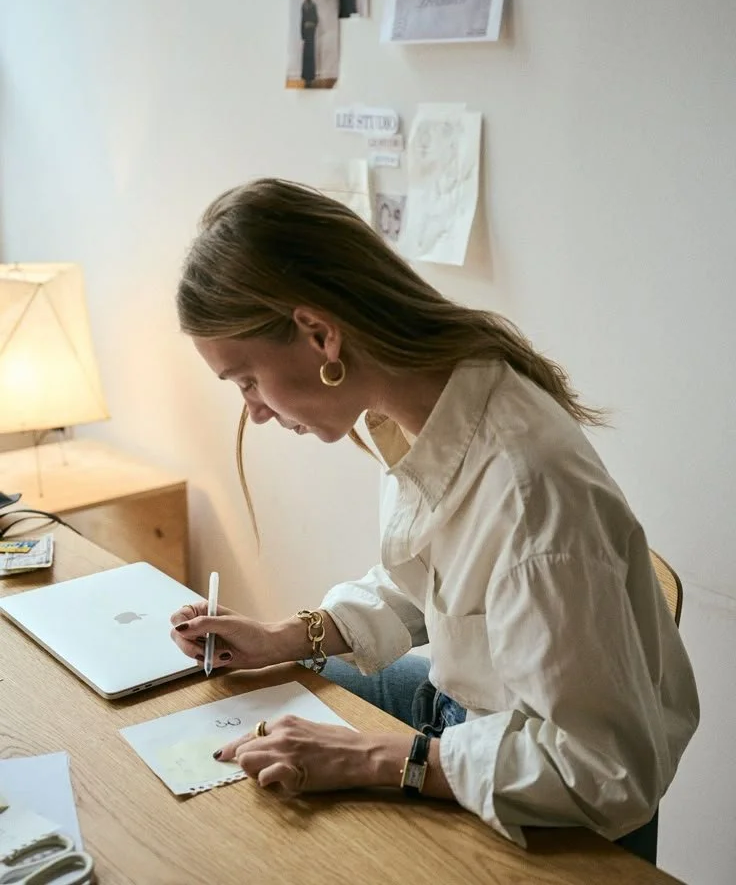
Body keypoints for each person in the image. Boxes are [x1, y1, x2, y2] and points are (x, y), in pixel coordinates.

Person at [171, 178, 699, 864]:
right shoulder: (420, 406)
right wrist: (286, 636)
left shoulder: (531, 494)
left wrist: (372, 756)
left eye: (245, 379)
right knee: (259, 703)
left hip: (548, 799)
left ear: (319, 333)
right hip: (461, 719)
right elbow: (432, 582)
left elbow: (604, 774)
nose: (256, 412)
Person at [300, 0, 318, 89]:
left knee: (311, 55)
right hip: (306, 35)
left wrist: (311, 24)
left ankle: (311, 78)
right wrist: (302, 34)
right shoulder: (303, 5)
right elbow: (302, 21)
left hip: (311, 34)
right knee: (305, 56)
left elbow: (316, 19)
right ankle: (305, 78)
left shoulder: (313, 5)